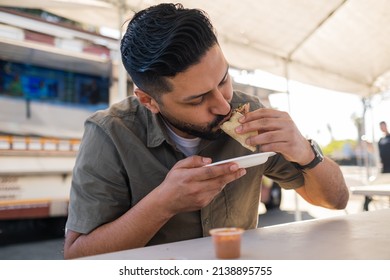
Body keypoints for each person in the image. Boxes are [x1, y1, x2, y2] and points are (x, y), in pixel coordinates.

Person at [63, 3, 349, 259]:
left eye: (224, 79)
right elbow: (78, 255)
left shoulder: (248, 111)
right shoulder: (111, 133)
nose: (224, 106)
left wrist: (305, 152)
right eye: (198, 99)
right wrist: (163, 204)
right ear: (149, 101)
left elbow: (335, 201)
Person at [363, 121, 390, 210]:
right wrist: (368, 144)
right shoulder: (381, 140)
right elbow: (374, 151)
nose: (382, 128)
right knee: (371, 184)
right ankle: (367, 203)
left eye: (383, 126)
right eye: (380, 127)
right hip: (384, 170)